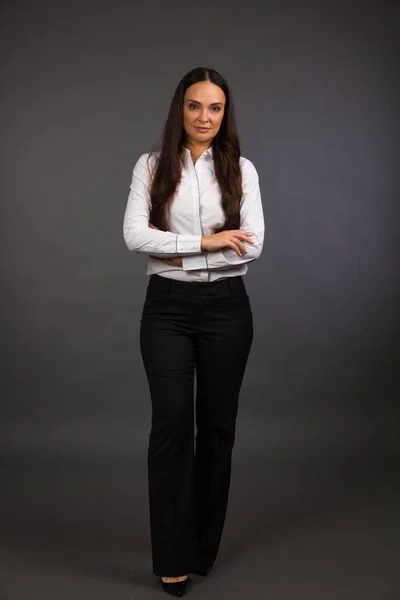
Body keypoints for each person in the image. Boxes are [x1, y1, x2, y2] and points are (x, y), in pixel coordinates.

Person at [123, 66, 264, 597]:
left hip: (228, 309)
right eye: (194, 106)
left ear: (225, 114)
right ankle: (172, 557)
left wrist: (183, 242)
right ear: (179, 109)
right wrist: (207, 243)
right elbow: (135, 235)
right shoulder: (152, 165)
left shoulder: (242, 169)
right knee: (172, 425)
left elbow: (254, 244)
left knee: (217, 430)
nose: (204, 117)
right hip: (167, 309)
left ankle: (203, 547)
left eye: (215, 107)